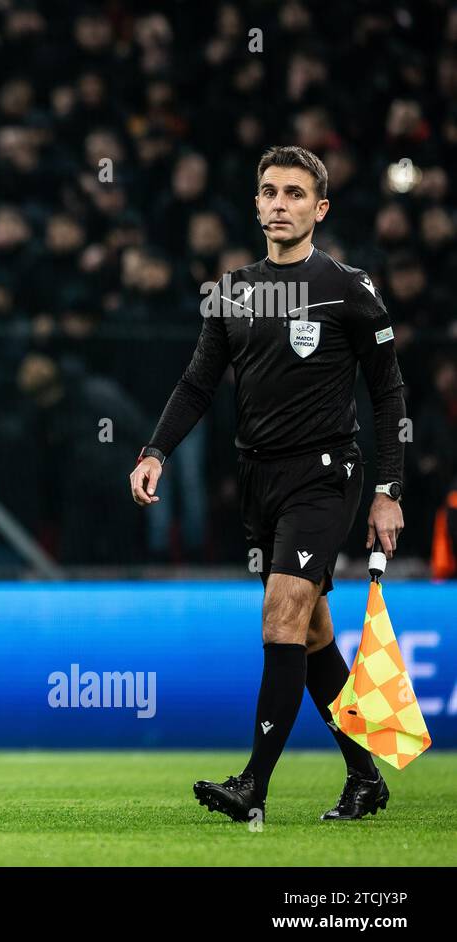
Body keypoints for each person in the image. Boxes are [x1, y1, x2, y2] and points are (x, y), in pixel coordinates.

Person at [130, 146, 405, 823]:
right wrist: (155, 451)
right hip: (259, 480)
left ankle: (253, 784)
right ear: (256, 203)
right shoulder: (233, 290)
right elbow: (198, 383)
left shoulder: (348, 288)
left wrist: (388, 490)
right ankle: (366, 777)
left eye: (294, 193)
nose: (279, 204)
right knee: (309, 636)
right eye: (269, 192)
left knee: (280, 615)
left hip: (324, 475)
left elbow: (390, 395)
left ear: (320, 208)